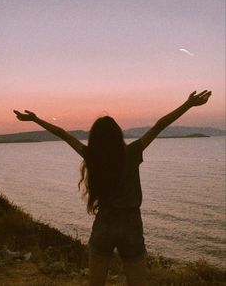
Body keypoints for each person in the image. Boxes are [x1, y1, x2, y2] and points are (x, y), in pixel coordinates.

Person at [13, 89, 211, 285]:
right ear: (118, 135)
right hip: (131, 222)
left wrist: (35, 119)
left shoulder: (92, 155)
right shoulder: (132, 153)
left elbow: (63, 134)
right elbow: (160, 125)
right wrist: (188, 104)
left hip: (105, 221)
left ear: (95, 138)